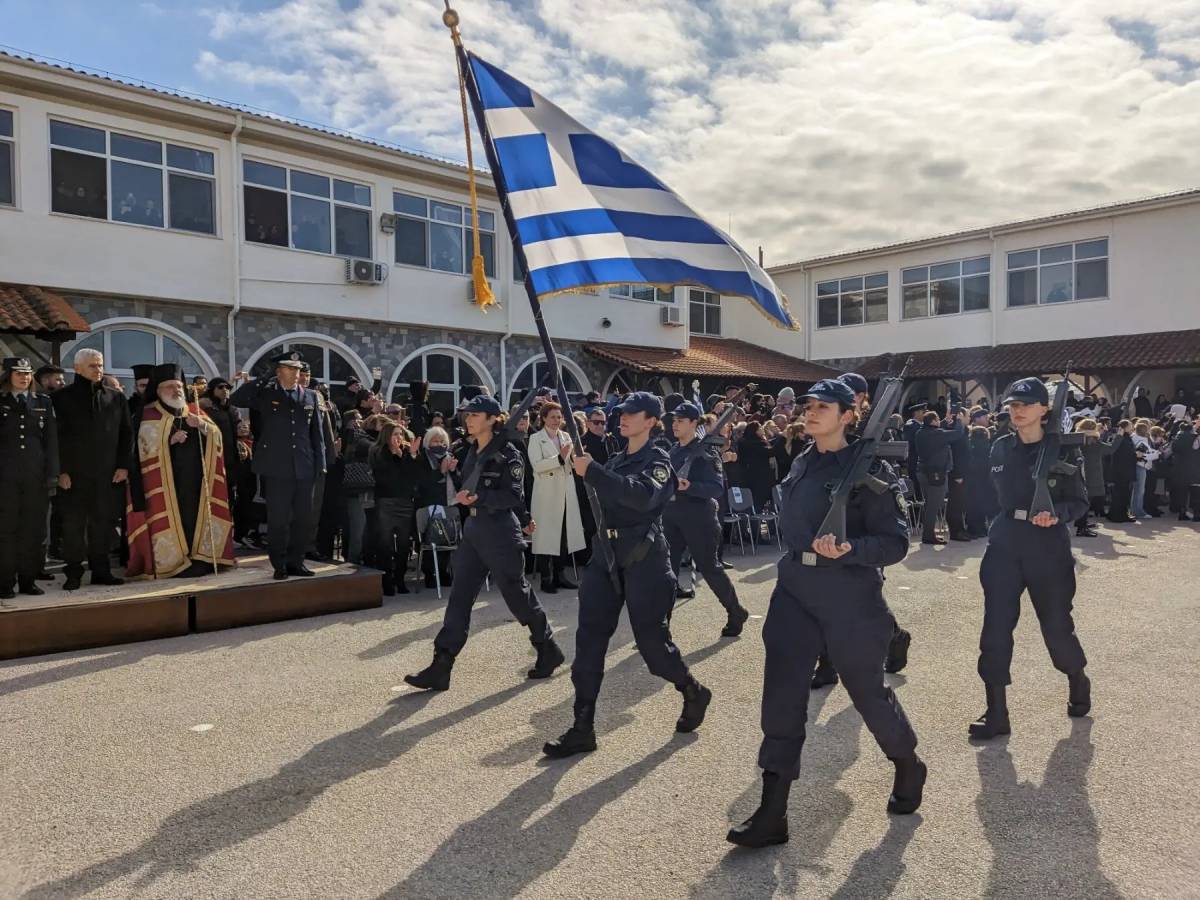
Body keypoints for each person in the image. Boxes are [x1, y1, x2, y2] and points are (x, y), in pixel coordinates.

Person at [728, 379, 923, 849]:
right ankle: (773, 811)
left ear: (849, 415)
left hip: (849, 594)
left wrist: (851, 547)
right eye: (809, 405)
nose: (811, 412)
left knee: (867, 693)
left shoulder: (869, 470)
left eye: (823, 407)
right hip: (794, 589)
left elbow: (896, 542)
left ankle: (907, 762)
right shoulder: (802, 461)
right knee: (781, 697)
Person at [543, 392, 713, 759]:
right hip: (605, 557)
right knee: (589, 641)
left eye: (632, 414)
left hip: (645, 559)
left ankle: (692, 690)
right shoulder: (617, 459)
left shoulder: (658, 460)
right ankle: (582, 727)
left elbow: (641, 497)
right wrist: (584, 471)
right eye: (621, 413)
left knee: (653, 648)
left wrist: (594, 472)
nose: (623, 418)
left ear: (652, 421)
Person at [405, 395, 563, 690]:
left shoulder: (508, 452)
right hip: (475, 529)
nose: (468, 419)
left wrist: (489, 501)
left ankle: (547, 647)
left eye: (475, 415)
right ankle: (442, 664)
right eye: (467, 415)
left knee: (517, 595)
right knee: (460, 595)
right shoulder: (471, 451)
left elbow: (514, 494)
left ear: (492, 419)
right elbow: (470, 484)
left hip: (500, 530)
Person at [969, 377, 1092, 741]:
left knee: (1056, 627)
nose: (1016, 410)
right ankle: (996, 712)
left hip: (1047, 547)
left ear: (1045, 409)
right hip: (1006, 543)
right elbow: (991, 493)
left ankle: (1077, 676)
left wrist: (1057, 513)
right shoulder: (1000, 447)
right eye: (1012, 404)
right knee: (995, 628)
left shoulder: (1064, 450)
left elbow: (1081, 500)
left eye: (1025, 403)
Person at [126, 364, 235, 579]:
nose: (176, 391)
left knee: (197, 518)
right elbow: (141, 448)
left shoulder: (194, 409)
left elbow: (217, 437)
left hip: (196, 482)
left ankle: (200, 556)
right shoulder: (147, 414)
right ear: (157, 390)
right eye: (169, 387)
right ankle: (174, 560)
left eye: (178, 386)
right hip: (166, 485)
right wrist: (168, 440)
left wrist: (203, 427)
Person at [230, 352, 326, 580]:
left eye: (298, 369)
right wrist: (262, 377)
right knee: (279, 520)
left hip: (304, 465)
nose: (296, 373)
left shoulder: (311, 396)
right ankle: (279, 564)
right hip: (276, 467)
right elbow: (237, 399)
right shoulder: (266, 394)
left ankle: (297, 562)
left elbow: (317, 435)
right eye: (290, 369)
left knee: (303, 519)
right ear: (279, 371)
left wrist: (320, 463)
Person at [663, 401, 750, 636]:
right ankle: (661, 627)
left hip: (699, 518)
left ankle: (735, 611)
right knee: (666, 571)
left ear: (694, 423)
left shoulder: (707, 452)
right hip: (671, 516)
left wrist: (690, 486)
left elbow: (715, 488)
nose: (675, 425)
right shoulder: (673, 450)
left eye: (680, 421)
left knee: (710, 568)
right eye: (674, 421)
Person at [52, 348, 132, 590]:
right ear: (77, 368)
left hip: (107, 474)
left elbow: (126, 433)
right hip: (73, 476)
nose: (98, 370)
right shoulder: (60, 398)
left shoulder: (115, 397)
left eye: (100, 365)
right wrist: (61, 471)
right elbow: (55, 438)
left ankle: (101, 571)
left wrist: (123, 465)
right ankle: (73, 574)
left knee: (103, 525)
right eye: (92, 366)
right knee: (73, 526)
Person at [0, 358, 59, 600]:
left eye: (27, 373)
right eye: (18, 373)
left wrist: (52, 474)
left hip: (35, 478)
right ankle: (5, 582)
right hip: (6, 478)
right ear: (8, 376)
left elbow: (51, 441)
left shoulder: (42, 402)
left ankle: (27, 580)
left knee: (32, 531)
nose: (24, 378)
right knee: (6, 531)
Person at [527, 401, 585, 593]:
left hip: (565, 491)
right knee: (545, 536)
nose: (556, 420)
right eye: (552, 417)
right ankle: (546, 578)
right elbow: (537, 465)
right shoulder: (536, 439)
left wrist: (575, 458)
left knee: (563, 536)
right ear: (543, 418)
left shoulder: (566, 436)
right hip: (546, 493)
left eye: (559, 417)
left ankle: (560, 575)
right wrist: (560, 457)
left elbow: (570, 464)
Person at [370, 420, 420, 596]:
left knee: (404, 544)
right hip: (386, 502)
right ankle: (387, 581)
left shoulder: (407, 453)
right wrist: (395, 457)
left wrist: (409, 456)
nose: (399, 437)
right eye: (395, 434)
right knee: (385, 544)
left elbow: (413, 477)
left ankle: (400, 578)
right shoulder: (378, 452)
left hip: (405, 502)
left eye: (401, 434)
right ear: (387, 436)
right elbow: (384, 477)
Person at [412, 424, 457, 588]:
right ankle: (429, 573)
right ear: (428, 443)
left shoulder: (449, 457)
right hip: (427, 504)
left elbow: (458, 482)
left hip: (446, 503)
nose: (439, 444)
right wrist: (441, 471)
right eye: (435, 441)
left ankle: (444, 571)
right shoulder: (422, 459)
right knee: (430, 539)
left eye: (442, 441)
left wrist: (452, 470)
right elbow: (423, 483)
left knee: (446, 537)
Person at [914, 411, 956, 544]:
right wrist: (959, 421)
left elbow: (935, 430)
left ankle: (928, 533)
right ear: (932, 421)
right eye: (937, 419)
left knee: (929, 504)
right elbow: (957, 434)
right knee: (934, 505)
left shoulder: (920, 432)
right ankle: (928, 536)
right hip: (935, 474)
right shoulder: (935, 434)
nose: (939, 421)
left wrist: (945, 420)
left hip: (923, 471)